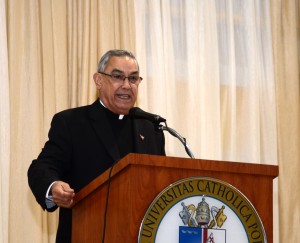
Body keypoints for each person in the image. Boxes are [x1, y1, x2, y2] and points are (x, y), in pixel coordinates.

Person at [28, 49, 166, 243]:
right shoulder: (71, 122)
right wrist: (54, 186)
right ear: (99, 80)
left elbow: (161, 183)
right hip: (84, 234)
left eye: (133, 78)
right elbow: (41, 167)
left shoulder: (151, 128)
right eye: (118, 77)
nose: (127, 85)